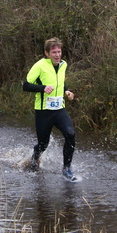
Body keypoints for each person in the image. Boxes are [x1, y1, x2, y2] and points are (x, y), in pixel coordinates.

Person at [23, 37, 77, 181]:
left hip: (59, 109)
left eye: (59, 52)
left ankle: (66, 168)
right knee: (43, 144)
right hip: (43, 112)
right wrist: (42, 88)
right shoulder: (40, 65)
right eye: (54, 52)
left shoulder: (63, 65)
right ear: (47, 53)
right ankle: (34, 161)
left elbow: (60, 82)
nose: (57, 55)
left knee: (70, 134)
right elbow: (26, 85)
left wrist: (67, 90)